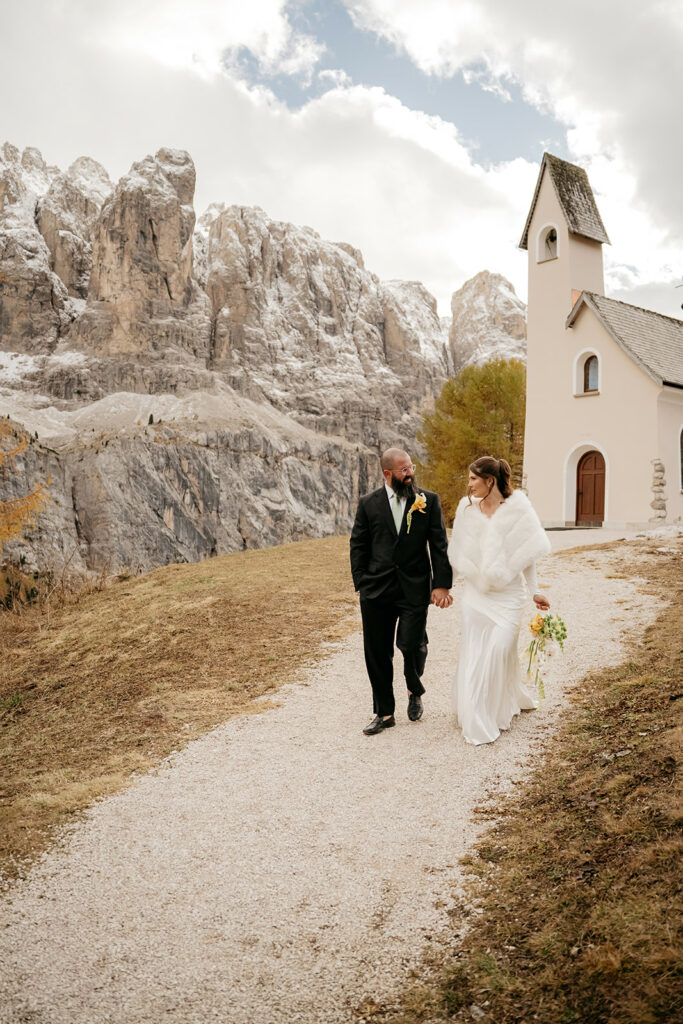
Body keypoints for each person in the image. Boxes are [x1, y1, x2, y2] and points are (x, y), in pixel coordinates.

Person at [448, 456, 551, 746]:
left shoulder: (518, 510)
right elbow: (459, 553)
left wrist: (535, 591)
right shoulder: (466, 510)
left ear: (489, 480)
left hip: (508, 597)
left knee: (499, 651)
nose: (468, 485)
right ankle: (478, 715)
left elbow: (527, 555)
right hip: (476, 596)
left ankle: (497, 705)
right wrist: (443, 587)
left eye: (473, 479)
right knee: (474, 652)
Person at [350, 448, 453, 736]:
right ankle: (384, 713)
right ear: (387, 474)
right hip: (376, 591)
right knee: (377, 653)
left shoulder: (428, 501)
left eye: (411, 468)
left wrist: (441, 584)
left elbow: (439, 544)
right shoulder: (368, 503)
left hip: (414, 588)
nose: (410, 474)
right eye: (403, 470)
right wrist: (362, 582)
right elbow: (358, 544)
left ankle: (413, 688)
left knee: (411, 644)